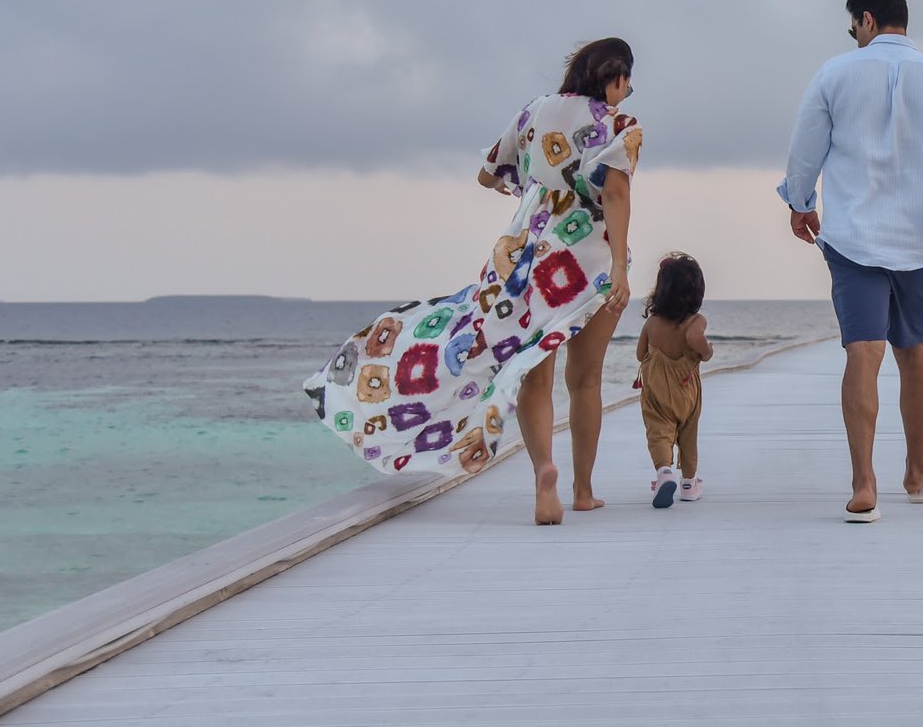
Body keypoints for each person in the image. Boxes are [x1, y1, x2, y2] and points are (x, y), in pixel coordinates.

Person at [304, 38, 642, 526]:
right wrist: (620, 268)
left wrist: (530, 188)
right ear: (615, 78)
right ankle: (584, 491)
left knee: (532, 374)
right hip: (587, 263)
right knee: (585, 379)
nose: (626, 95)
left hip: (524, 260)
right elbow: (615, 192)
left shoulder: (534, 112)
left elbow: (488, 173)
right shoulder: (619, 126)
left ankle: (542, 471)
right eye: (627, 85)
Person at [778, 0, 923, 522]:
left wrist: (800, 203)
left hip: (851, 238)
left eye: (854, 25)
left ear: (868, 19)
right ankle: (917, 471)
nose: (853, 35)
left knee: (862, 354)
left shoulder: (833, 74)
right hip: (920, 239)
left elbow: (806, 150)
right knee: (914, 355)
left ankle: (863, 484)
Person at [635, 252, 714, 509]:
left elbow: (640, 354)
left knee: (659, 432)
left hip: (656, 390)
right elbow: (694, 337)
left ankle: (664, 472)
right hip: (686, 388)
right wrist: (706, 351)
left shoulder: (653, 323)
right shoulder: (696, 321)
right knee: (688, 432)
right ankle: (689, 484)